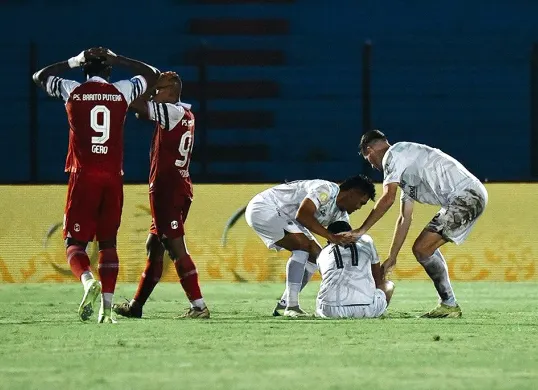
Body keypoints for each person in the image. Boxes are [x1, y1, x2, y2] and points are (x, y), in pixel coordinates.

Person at [32, 47, 160, 323]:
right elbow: (153, 74)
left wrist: (72, 60)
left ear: (84, 69)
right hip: (113, 177)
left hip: (83, 175)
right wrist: (120, 59)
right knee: (107, 243)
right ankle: (107, 309)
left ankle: (88, 280)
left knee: (74, 243)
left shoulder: (72, 89)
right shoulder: (123, 90)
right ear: (109, 71)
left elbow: (39, 76)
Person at [350, 130, 488, 318]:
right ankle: (448, 304)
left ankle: (449, 304)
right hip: (466, 195)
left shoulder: (394, 155)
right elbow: (405, 218)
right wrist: (393, 256)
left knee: (422, 249)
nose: (373, 166)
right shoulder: (407, 167)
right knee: (423, 249)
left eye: (368, 160)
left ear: (370, 150)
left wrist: (362, 230)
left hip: (465, 196)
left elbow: (388, 197)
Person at [113, 71, 209, 319]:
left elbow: (139, 108)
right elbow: (142, 110)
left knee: (175, 246)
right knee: (154, 245)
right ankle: (136, 307)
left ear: (171, 91)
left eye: (159, 89)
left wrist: (128, 88)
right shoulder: (185, 112)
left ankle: (199, 307)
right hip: (178, 185)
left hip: (167, 188)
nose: (155, 93)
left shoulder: (173, 112)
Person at [245, 175, 376, 317]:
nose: (359, 208)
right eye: (361, 203)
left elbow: (336, 244)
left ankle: (284, 304)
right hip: (265, 207)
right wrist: (331, 236)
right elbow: (303, 215)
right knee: (303, 246)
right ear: (353, 193)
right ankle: (292, 306)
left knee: (316, 255)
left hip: (286, 218)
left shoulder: (341, 216)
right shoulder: (326, 190)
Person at [316, 221, 394, 318]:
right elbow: (377, 278)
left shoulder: (322, 253)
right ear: (351, 232)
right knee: (388, 285)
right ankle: (379, 309)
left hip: (329, 310)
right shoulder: (367, 240)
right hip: (366, 309)